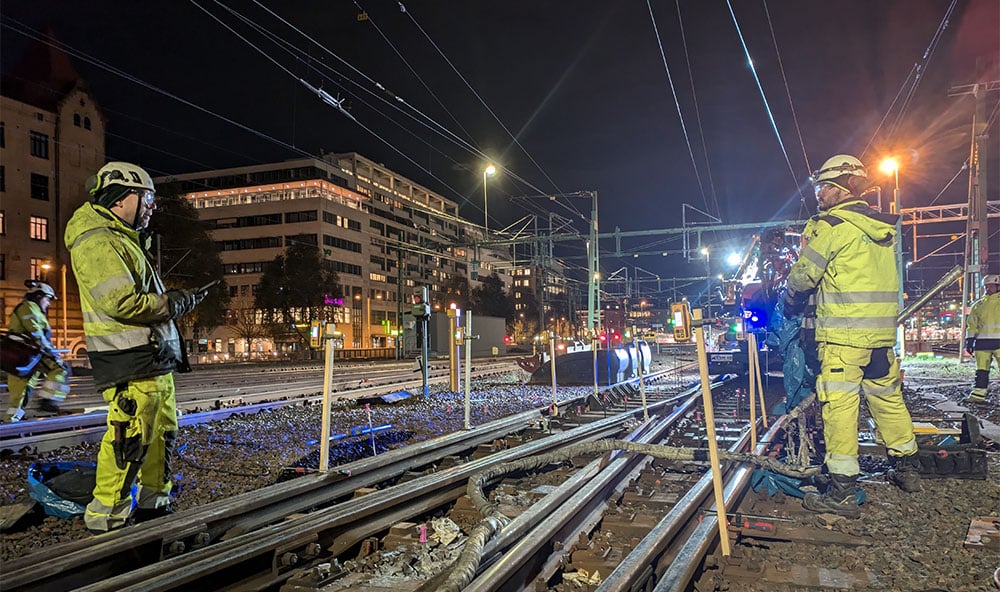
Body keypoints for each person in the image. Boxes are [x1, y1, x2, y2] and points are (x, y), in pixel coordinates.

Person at [65, 161, 207, 532]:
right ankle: (106, 518)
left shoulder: (123, 238)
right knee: (130, 436)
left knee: (161, 432)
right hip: (128, 360)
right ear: (121, 197)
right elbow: (121, 301)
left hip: (151, 358)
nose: (151, 206)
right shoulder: (98, 240)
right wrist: (173, 304)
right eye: (147, 197)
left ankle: (153, 504)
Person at [783, 154, 921, 519]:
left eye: (824, 187)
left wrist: (789, 301)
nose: (819, 195)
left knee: (839, 407)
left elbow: (803, 276)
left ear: (841, 188)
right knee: (887, 399)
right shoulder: (880, 229)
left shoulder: (833, 227)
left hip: (844, 337)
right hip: (880, 336)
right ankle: (907, 466)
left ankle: (843, 491)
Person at [5, 280, 70, 421]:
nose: (49, 304)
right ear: (39, 297)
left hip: (19, 357)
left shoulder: (26, 307)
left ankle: (10, 424)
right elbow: (36, 333)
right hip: (28, 354)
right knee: (61, 369)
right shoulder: (30, 307)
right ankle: (48, 400)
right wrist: (51, 352)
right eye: (48, 299)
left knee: (19, 396)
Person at [965, 274, 1000, 403]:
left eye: (991, 286)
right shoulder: (978, 305)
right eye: (986, 286)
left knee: (982, 370)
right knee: (981, 371)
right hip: (982, 342)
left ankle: (978, 395)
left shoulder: (979, 305)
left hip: (995, 342)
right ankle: (978, 396)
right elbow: (972, 325)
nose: (988, 288)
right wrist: (969, 340)